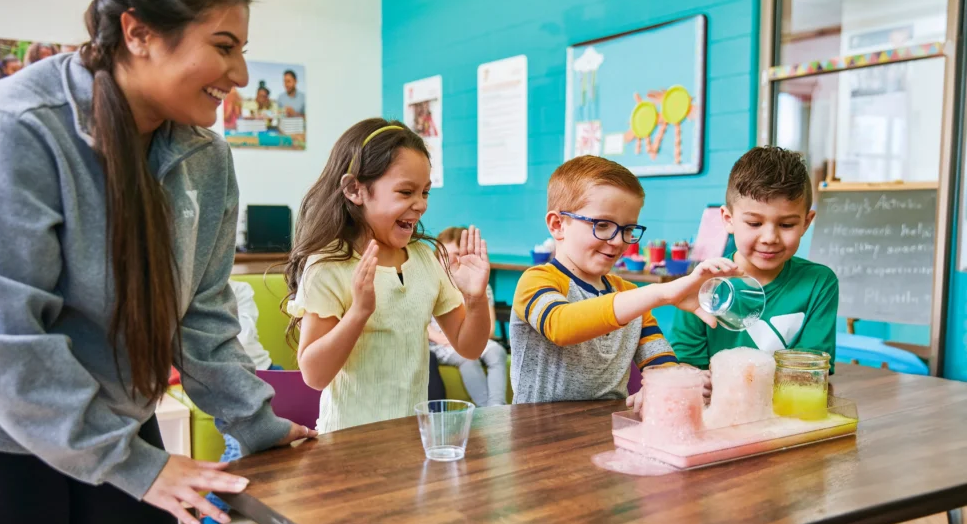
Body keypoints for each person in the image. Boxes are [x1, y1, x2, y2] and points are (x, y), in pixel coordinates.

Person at [0, 0, 315, 524]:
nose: (238, 76)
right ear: (138, 33)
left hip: (117, 416)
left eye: (243, 51)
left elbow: (203, 317)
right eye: (224, 47)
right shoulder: (13, 130)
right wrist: (136, 464)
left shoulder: (203, 156)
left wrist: (259, 425)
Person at [285, 118, 493, 432]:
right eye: (406, 191)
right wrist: (359, 313)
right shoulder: (328, 266)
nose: (420, 205)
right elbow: (315, 375)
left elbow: (469, 347)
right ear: (355, 189)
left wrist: (475, 299)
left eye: (425, 192)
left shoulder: (424, 259)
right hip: (348, 445)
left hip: (411, 440)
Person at [510, 155, 738, 404]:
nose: (618, 241)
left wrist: (682, 381)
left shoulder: (631, 296)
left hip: (608, 429)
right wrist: (660, 293)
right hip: (539, 434)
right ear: (558, 225)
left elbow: (660, 364)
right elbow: (561, 325)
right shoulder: (537, 281)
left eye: (628, 229)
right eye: (603, 225)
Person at [671, 146, 839, 371]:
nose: (770, 238)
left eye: (786, 224)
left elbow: (812, 369)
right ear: (728, 219)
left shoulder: (819, 282)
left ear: (806, 223)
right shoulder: (702, 285)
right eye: (754, 224)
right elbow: (686, 365)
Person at [192, 279, 278, 524]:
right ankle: (210, 509)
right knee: (242, 444)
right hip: (226, 380)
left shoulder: (241, 289)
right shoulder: (189, 290)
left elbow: (244, 336)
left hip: (265, 371)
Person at [428, 226, 507, 406]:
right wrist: (447, 340)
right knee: (467, 358)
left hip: (472, 340)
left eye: (455, 254)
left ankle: (496, 407)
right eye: (443, 254)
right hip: (441, 344)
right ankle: (484, 408)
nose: (448, 260)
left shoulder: (481, 286)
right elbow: (424, 326)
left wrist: (469, 340)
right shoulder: (432, 284)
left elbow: (490, 328)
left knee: (496, 351)